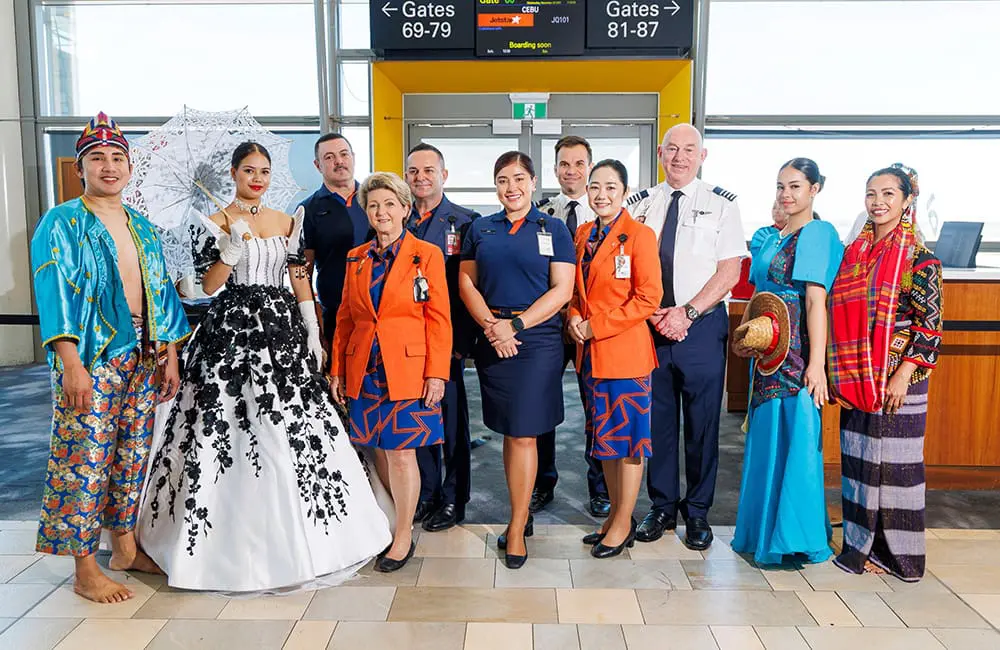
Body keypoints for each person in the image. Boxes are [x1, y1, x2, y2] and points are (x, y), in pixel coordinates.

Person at [138, 142, 391, 593]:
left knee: (292, 427)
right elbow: (203, 289)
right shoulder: (210, 224)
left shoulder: (288, 221)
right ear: (233, 173)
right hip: (229, 334)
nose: (257, 178)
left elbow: (298, 278)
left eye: (265, 171)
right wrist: (228, 254)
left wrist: (312, 328)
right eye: (249, 170)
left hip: (284, 332)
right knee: (227, 429)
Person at [31, 112, 190, 603]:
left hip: (143, 353)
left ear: (129, 167)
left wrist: (169, 353)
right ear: (81, 167)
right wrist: (70, 363)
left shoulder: (141, 226)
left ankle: (124, 546)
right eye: (97, 158)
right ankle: (84, 570)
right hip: (91, 356)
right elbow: (54, 291)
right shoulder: (62, 222)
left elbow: (160, 291)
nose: (109, 166)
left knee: (130, 456)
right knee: (85, 458)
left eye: (118, 157)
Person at [630, 123, 748, 550]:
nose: (679, 157)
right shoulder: (640, 203)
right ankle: (661, 507)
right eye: (672, 149)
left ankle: (697, 513)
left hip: (700, 328)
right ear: (660, 153)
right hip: (650, 328)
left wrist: (688, 312)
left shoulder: (721, 205)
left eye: (689, 149)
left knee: (701, 425)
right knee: (657, 423)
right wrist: (656, 314)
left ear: (703, 155)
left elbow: (729, 270)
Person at [330, 172, 452, 573]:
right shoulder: (357, 258)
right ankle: (391, 519)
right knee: (378, 449)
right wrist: (338, 371)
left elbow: (439, 319)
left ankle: (402, 536)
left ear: (404, 208)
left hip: (409, 371)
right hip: (364, 368)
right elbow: (345, 318)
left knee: (402, 453)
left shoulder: (427, 254)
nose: (381, 212)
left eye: (388, 204)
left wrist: (437, 373)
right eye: (373, 206)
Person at [459, 152, 575, 569]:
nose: (512, 187)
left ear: (533, 181)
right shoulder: (481, 228)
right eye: (504, 179)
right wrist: (493, 326)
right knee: (510, 432)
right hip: (493, 337)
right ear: (495, 186)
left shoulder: (554, 228)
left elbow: (562, 290)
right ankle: (520, 509)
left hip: (537, 341)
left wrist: (517, 326)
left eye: (520, 178)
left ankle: (517, 523)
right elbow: (467, 282)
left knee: (525, 433)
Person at [829, 164, 943, 582]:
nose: (878, 202)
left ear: (908, 200)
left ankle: (901, 556)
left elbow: (929, 325)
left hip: (900, 378)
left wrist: (902, 373)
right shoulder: (854, 255)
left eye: (889, 194)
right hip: (859, 374)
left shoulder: (921, 258)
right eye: (871, 194)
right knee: (860, 463)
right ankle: (862, 547)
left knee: (897, 468)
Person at [731, 158, 844, 565]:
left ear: (815, 189)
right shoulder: (775, 236)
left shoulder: (817, 232)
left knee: (795, 438)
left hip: (797, 355)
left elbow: (816, 301)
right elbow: (759, 292)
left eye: (795, 186)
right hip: (767, 349)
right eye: (781, 186)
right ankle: (763, 531)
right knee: (766, 436)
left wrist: (816, 364)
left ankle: (794, 535)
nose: (786, 194)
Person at [567, 160, 662, 558]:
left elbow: (649, 298)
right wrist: (573, 315)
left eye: (610, 187)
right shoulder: (583, 234)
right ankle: (611, 519)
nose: (601, 194)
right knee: (604, 441)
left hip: (625, 355)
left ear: (624, 191)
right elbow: (575, 289)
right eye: (594, 187)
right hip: (590, 357)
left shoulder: (639, 235)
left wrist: (595, 326)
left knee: (629, 443)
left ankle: (624, 521)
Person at [403, 143, 480, 532]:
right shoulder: (396, 220)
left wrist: (463, 342)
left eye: (428, 170)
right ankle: (427, 493)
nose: (421, 177)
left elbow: (471, 287)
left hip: (446, 340)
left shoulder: (467, 222)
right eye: (413, 171)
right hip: (405, 342)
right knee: (419, 421)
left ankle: (453, 498)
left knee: (450, 424)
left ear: (444, 175)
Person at [533, 135, 610, 518]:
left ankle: (600, 487)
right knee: (541, 404)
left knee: (596, 407)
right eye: (564, 164)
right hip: (547, 325)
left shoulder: (605, 217)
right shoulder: (542, 214)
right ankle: (542, 483)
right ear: (555, 169)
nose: (571, 171)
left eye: (579, 164)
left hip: (588, 327)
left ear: (590, 167)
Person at [300, 133, 370, 347]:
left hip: (378, 309)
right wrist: (313, 320)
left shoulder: (376, 199)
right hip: (335, 312)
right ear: (318, 165)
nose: (339, 161)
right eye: (329, 157)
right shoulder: (308, 209)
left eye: (343, 154)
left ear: (353, 157)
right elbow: (304, 273)